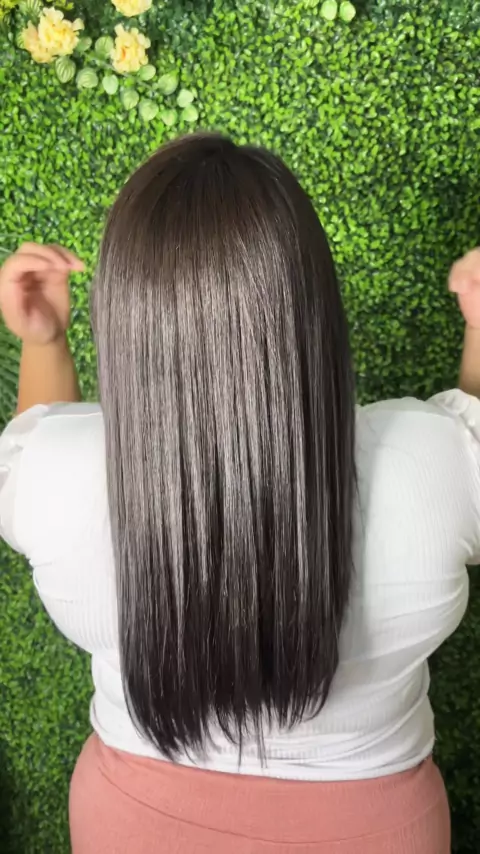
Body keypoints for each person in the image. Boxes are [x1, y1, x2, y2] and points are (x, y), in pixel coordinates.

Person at [0, 133, 479, 854]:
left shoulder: (51, 475)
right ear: (311, 303)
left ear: (127, 320)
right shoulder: (433, 459)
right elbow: (466, 464)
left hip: (130, 825)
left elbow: (40, 444)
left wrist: (43, 344)